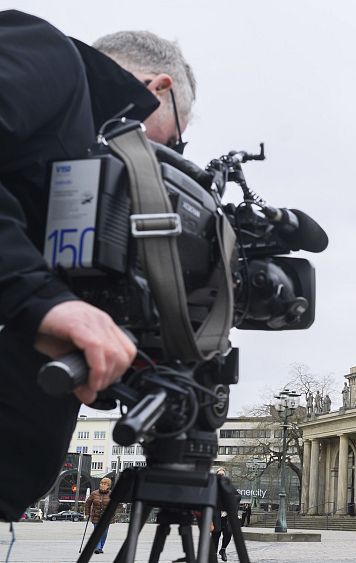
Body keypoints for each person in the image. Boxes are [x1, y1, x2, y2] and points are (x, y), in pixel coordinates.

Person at [0, 10, 195, 522]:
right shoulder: (50, 56)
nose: (167, 158)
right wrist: (36, 297)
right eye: (175, 141)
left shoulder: (80, 161)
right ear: (159, 89)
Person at [84, 478, 114, 554]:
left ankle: (100, 547)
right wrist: (87, 513)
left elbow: (115, 505)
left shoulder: (112, 494)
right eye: (102, 483)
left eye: (105, 484)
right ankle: (97, 547)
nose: (102, 485)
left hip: (106, 518)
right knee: (97, 532)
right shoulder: (94, 493)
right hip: (96, 516)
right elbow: (88, 503)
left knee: (104, 533)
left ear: (108, 486)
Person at [211, 468, 233, 562]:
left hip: (226, 514)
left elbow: (237, 495)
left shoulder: (228, 486)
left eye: (223, 475)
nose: (221, 477)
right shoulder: (212, 487)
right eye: (219, 475)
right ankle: (214, 553)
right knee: (216, 533)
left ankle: (223, 550)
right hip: (215, 513)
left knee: (228, 532)